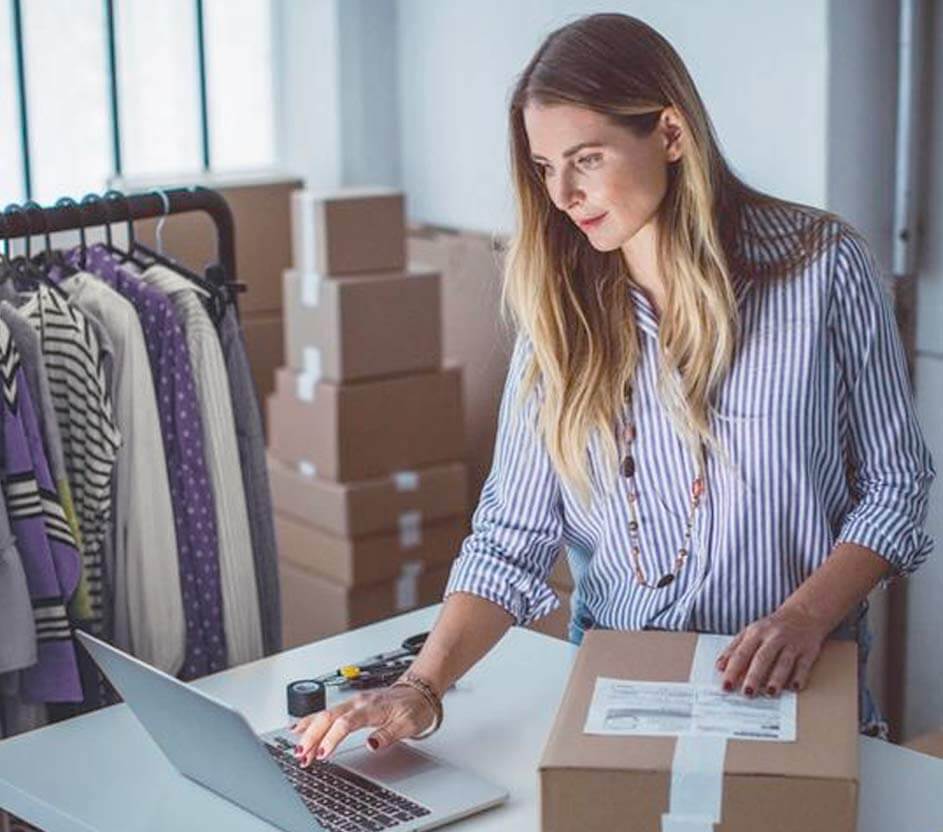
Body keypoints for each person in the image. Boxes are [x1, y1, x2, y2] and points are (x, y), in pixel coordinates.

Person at [292, 12, 936, 765]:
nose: (561, 193)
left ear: (668, 133)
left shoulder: (822, 267)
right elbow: (510, 540)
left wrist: (802, 616)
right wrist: (422, 687)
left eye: (585, 158)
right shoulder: (558, 312)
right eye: (543, 167)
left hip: (796, 683)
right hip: (621, 690)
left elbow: (896, 486)